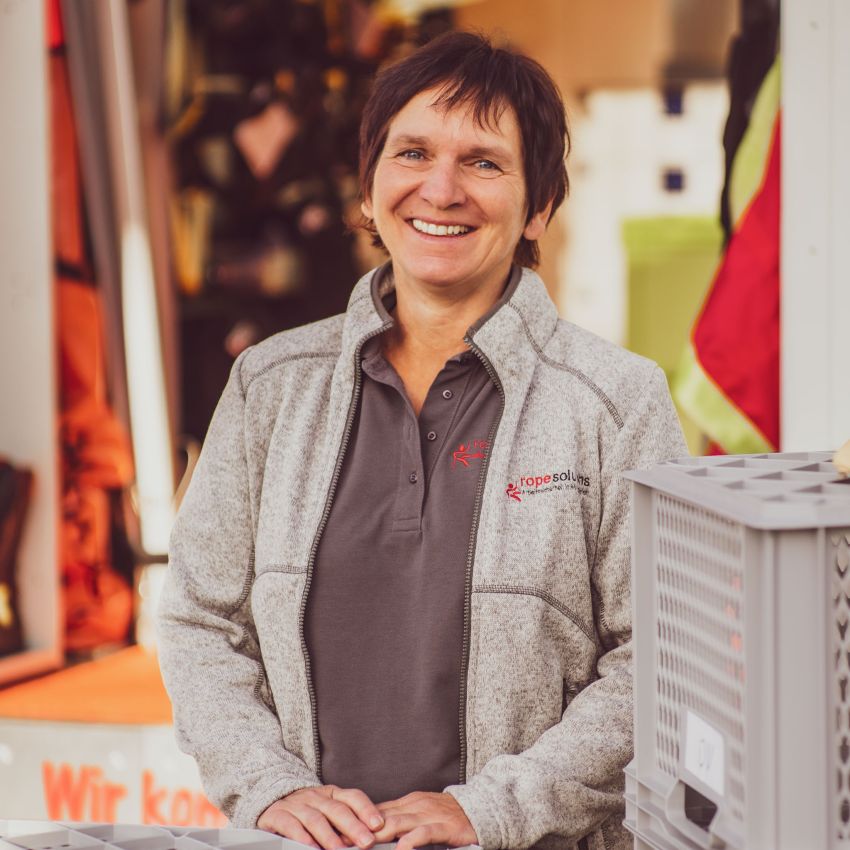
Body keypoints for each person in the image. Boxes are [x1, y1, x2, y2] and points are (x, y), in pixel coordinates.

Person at [157, 31, 687, 850]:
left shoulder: (616, 402)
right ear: (369, 191)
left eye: (483, 162)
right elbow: (201, 621)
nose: (440, 189)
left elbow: (660, 657)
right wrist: (268, 785)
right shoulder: (271, 386)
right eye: (412, 154)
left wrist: (492, 810)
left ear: (538, 207)